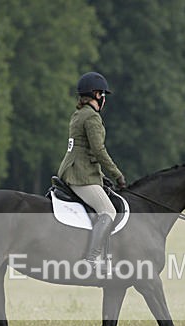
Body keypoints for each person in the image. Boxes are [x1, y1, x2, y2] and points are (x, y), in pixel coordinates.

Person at [57, 72, 127, 262]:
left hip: (74, 170)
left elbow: (84, 151)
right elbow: (98, 150)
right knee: (108, 211)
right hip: (80, 175)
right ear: (97, 95)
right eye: (103, 95)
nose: (104, 99)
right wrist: (117, 174)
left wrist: (101, 175)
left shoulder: (79, 114)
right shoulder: (91, 117)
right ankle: (92, 258)